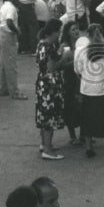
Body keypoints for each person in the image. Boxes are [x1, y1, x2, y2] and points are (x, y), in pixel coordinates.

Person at [76, 25, 104, 159]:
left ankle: (89, 148)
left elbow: (77, 70)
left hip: (87, 90)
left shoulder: (81, 50)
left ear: (88, 36)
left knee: (88, 120)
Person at [35, 19, 67, 160]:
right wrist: (64, 56)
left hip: (42, 82)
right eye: (58, 32)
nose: (59, 35)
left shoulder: (41, 44)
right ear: (53, 32)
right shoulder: (49, 46)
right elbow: (52, 67)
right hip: (50, 84)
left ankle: (44, 144)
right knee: (49, 116)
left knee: (44, 114)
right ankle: (48, 149)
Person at [0, 0, 24, 99]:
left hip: (2, 35)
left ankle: (4, 88)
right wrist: (17, 31)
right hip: (9, 36)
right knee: (11, 65)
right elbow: (9, 22)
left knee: (4, 64)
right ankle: (14, 92)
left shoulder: (4, 6)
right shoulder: (12, 8)